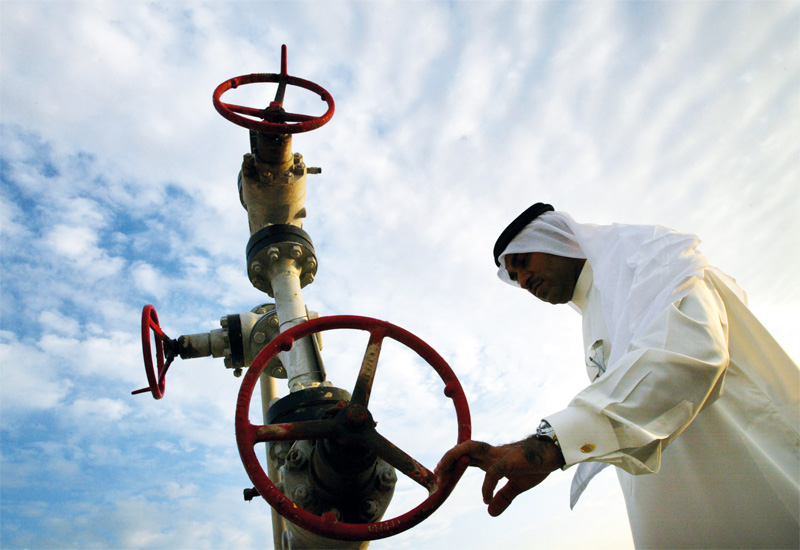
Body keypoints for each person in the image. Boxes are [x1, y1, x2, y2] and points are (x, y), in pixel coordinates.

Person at [436, 203, 799, 549]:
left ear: (557, 238)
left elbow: (691, 350)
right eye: (514, 277)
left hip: (756, 491)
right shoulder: (595, 311)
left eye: (524, 261)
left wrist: (551, 446)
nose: (524, 280)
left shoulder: (649, 256)